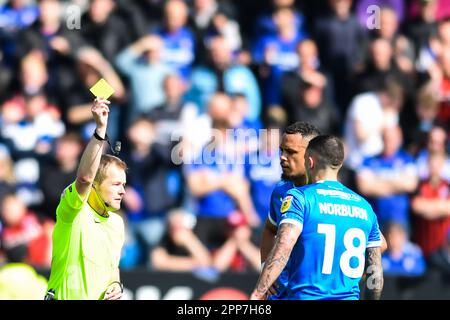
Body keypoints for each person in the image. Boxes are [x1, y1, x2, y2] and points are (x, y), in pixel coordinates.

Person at [251, 135, 384, 300]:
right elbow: (375, 276)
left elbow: (284, 244)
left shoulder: (300, 197)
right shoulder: (365, 207)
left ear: (310, 162)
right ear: (340, 164)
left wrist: (259, 291)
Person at [45, 98, 126, 300]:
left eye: (123, 185)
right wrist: (100, 130)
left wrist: (116, 283)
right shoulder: (73, 211)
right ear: (95, 186)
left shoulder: (117, 223)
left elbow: (112, 266)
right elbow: (84, 178)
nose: (123, 191)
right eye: (116, 184)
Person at [259, 121, 320, 300]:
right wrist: (266, 269)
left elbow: (378, 242)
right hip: (282, 294)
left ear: (312, 157)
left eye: (291, 152)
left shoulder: (331, 194)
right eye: (282, 150)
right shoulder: (281, 191)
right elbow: (270, 230)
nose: (282, 157)